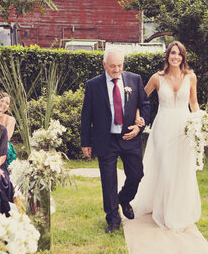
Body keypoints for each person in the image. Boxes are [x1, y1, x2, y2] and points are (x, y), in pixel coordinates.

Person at [131, 42, 200, 232]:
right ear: (167, 56)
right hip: (163, 127)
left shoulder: (191, 77)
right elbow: (141, 99)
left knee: (181, 168)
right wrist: (138, 116)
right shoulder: (157, 78)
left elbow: (194, 104)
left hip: (184, 128)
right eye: (172, 53)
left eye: (179, 54)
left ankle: (178, 209)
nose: (175, 57)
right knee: (166, 167)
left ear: (183, 57)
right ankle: (162, 210)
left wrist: (201, 124)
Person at [81, 48, 151, 233]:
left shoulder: (134, 79)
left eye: (119, 66)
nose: (116, 69)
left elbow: (144, 104)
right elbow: (86, 116)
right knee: (108, 181)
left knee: (137, 175)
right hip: (106, 140)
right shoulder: (93, 85)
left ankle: (124, 199)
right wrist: (85, 142)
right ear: (104, 64)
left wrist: (139, 127)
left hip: (130, 137)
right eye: (112, 66)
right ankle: (113, 220)